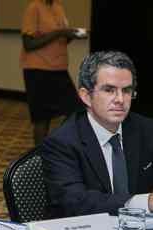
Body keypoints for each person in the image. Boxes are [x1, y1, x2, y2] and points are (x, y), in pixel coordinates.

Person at [42, 51, 153, 218]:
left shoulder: (146, 129)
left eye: (127, 91)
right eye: (109, 90)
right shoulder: (62, 142)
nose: (120, 100)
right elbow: (75, 202)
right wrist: (144, 203)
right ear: (86, 96)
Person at [20, 0, 85, 145]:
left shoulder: (58, 7)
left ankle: (58, 148)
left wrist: (70, 35)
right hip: (38, 70)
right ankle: (40, 157)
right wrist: (60, 32)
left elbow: (59, 39)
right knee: (42, 118)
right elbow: (29, 44)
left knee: (76, 112)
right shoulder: (34, 8)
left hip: (59, 69)